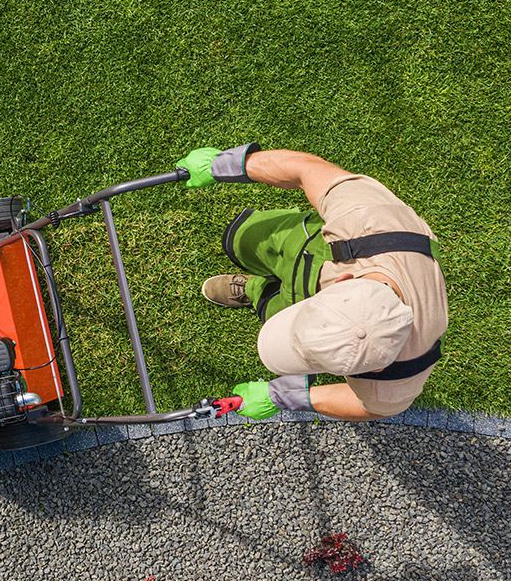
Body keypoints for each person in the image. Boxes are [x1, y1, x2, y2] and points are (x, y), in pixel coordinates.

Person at [175, 144, 448, 422]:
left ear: (376, 369)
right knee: (241, 239)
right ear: (342, 279)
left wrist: (282, 397)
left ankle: (253, 289)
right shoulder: (369, 219)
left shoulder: (399, 378)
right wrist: (226, 165)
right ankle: (253, 258)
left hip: (329, 273)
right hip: (320, 248)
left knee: (272, 306)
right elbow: (307, 169)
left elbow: (369, 407)